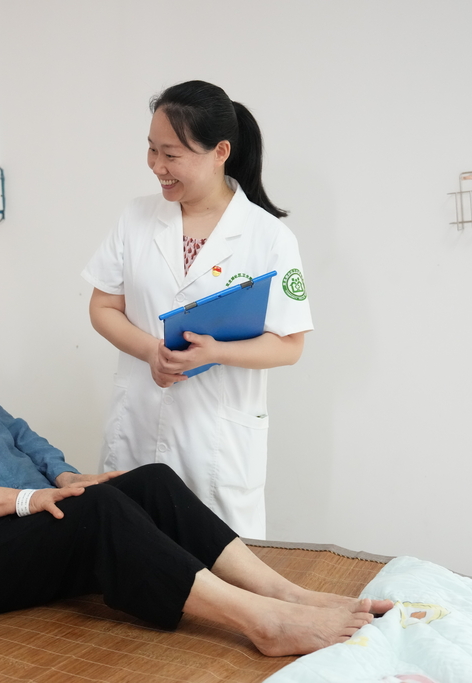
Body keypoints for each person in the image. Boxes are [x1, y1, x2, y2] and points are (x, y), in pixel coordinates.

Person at [0, 257, 388, 657]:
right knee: (97, 512)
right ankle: (264, 623)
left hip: (26, 525)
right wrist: (27, 499)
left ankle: (286, 594)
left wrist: (66, 474)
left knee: (149, 481)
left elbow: (15, 432)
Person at [82, 80, 312, 539]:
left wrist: (215, 353)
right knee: (131, 554)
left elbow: (289, 345)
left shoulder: (268, 237)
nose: (157, 166)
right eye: (152, 150)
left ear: (220, 151)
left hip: (216, 443)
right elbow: (103, 306)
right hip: (138, 426)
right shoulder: (136, 216)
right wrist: (152, 352)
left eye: (171, 154)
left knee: (220, 566)